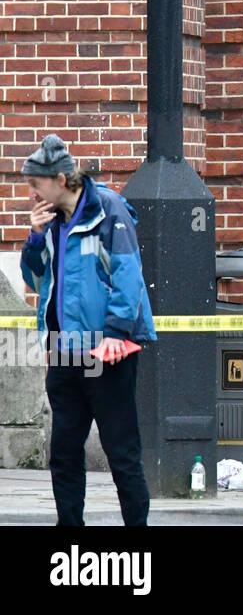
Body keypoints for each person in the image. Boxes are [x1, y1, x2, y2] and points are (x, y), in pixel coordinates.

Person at [20, 135, 156, 526]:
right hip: (64, 352)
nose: (32, 191)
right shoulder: (52, 222)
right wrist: (33, 236)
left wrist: (115, 332)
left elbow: (129, 276)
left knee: (121, 453)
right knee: (63, 452)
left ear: (62, 180)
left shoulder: (108, 210)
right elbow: (35, 279)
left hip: (107, 352)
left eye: (37, 183)